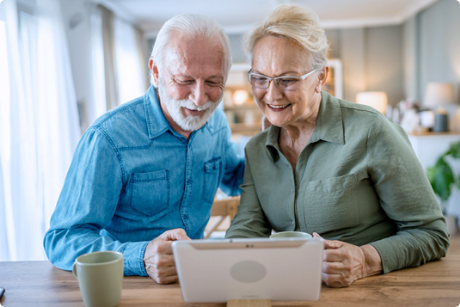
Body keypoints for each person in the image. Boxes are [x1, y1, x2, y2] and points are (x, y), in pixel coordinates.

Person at [225, 5, 449, 288]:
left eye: (288, 80)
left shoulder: (370, 130)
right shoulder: (257, 149)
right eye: (259, 78)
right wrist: (222, 261)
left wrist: (366, 260)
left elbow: (432, 233)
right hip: (295, 292)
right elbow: (248, 228)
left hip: (374, 292)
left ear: (321, 77)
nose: (270, 94)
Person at [44, 14, 245, 284]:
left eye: (212, 82)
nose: (199, 98)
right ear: (156, 72)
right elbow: (62, 240)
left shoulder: (216, 123)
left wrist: (277, 141)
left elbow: (235, 178)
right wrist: (140, 256)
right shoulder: (109, 137)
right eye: (185, 80)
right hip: (127, 287)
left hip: (196, 283)